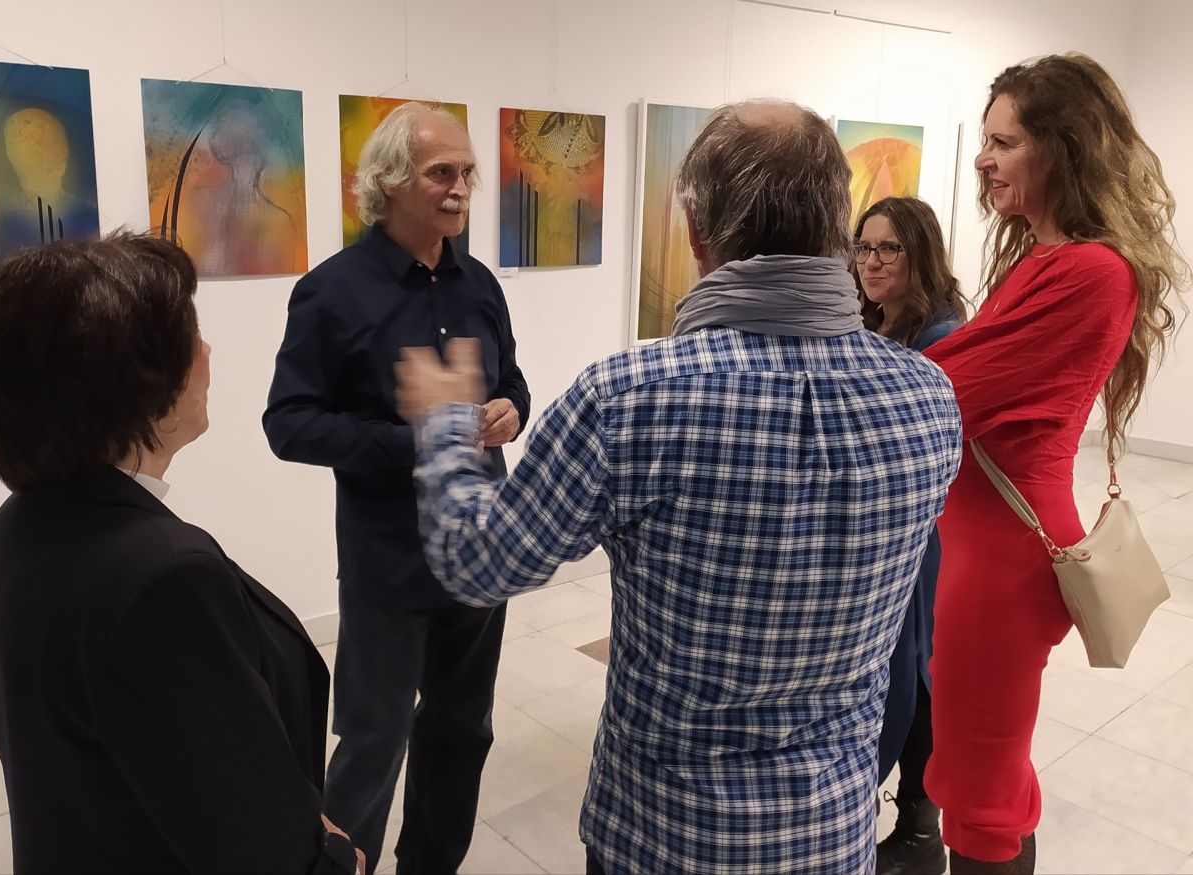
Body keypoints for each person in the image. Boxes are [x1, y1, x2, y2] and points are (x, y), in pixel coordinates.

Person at [394, 100, 962, 875]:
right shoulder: (929, 398)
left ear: (697, 233)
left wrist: (442, 429)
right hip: (828, 835)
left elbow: (480, 564)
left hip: (664, 835)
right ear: (840, 226)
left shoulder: (630, 398)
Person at [0, 233, 363, 874]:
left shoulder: (19, 524)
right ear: (141, 384)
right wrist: (337, 858)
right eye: (190, 338)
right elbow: (256, 841)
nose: (207, 352)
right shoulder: (163, 578)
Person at [921, 52, 1188, 874]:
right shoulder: (1042, 257)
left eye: (1003, 142)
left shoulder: (1091, 272)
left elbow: (945, 388)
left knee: (979, 793)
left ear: (1063, 147)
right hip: (981, 545)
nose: (982, 159)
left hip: (1005, 561)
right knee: (990, 766)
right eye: (985, 141)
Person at [263, 102, 530, 874]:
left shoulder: (479, 284)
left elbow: (511, 381)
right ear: (388, 181)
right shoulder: (331, 292)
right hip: (388, 559)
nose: (461, 188)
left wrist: (510, 408)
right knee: (374, 737)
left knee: (462, 730)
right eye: (441, 172)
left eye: (467, 172)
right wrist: (417, 440)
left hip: (479, 551)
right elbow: (289, 424)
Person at [851, 196, 968, 875]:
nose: (871, 262)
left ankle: (921, 827)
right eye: (863, 247)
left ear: (919, 253)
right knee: (906, 668)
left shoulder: (940, 339)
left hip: (924, 534)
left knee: (917, 672)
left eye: (888, 248)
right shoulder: (877, 326)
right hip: (890, 528)